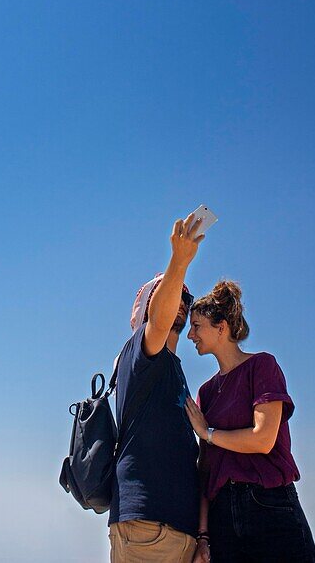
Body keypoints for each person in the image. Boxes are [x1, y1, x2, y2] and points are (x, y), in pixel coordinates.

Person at [184, 281, 315, 563]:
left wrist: (207, 432)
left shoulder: (262, 366)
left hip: (269, 506)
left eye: (197, 326)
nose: (190, 335)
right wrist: (203, 535)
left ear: (221, 327)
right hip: (222, 518)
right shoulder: (205, 392)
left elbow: (263, 439)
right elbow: (205, 469)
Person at [109, 213, 208, 563]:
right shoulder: (141, 353)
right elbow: (159, 321)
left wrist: (201, 536)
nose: (182, 300)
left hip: (174, 532)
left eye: (186, 296)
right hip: (148, 530)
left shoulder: (172, 368)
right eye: (171, 293)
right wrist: (179, 262)